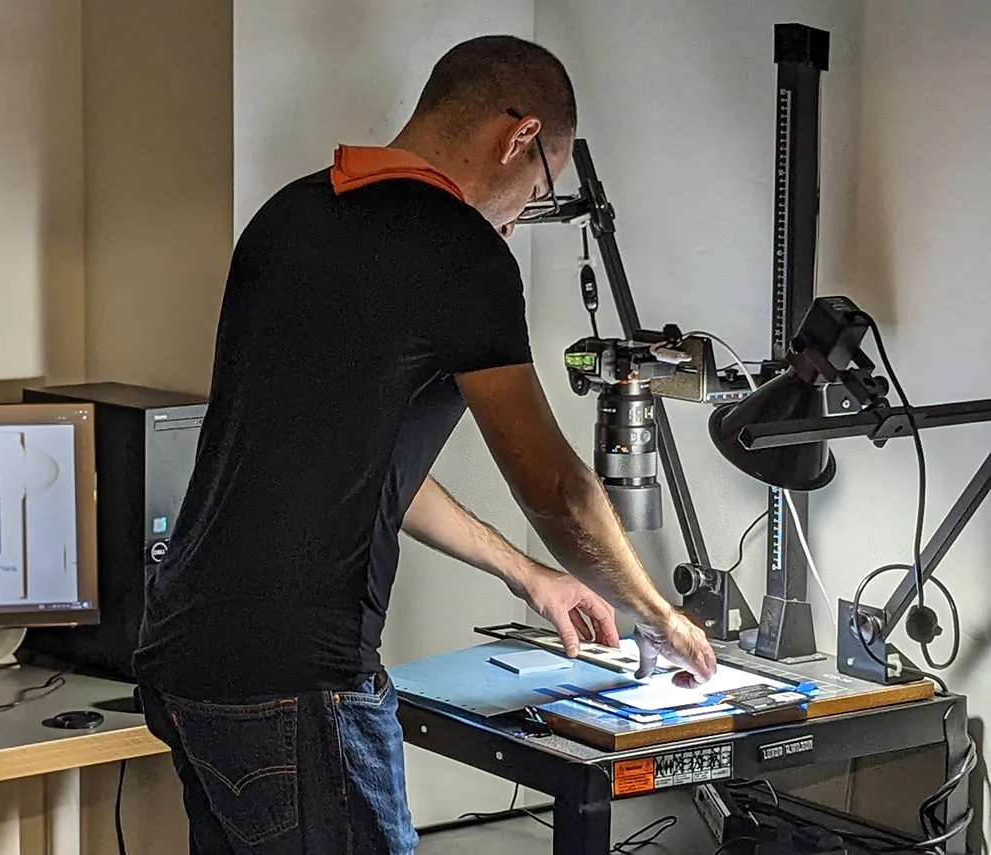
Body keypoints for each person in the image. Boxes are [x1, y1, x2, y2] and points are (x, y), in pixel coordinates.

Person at [134, 34, 717, 855]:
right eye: (544, 181)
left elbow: (367, 469)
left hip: (188, 658)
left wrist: (531, 575)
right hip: (298, 684)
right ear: (518, 137)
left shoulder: (289, 215)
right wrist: (659, 616)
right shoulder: (459, 251)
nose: (527, 211)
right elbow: (553, 486)